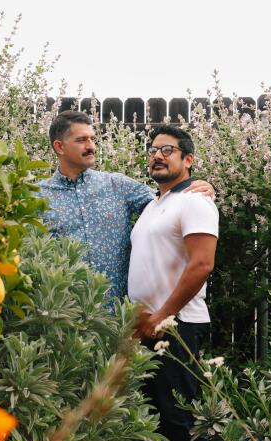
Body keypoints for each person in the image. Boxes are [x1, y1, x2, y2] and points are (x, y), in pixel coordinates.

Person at [124, 124, 219, 441]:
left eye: (168, 149)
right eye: (153, 150)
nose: (158, 156)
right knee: (157, 412)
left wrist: (163, 315)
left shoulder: (195, 202)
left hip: (177, 324)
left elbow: (202, 265)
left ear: (188, 160)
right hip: (147, 325)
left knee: (180, 412)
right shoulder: (153, 204)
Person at [37, 110, 214, 300]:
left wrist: (201, 186)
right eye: (82, 140)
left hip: (117, 316)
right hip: (63, 314)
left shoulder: (118, 186)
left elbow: (168, 201)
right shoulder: (38, 196)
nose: (91, 146)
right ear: (59, 147)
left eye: (92, 139)